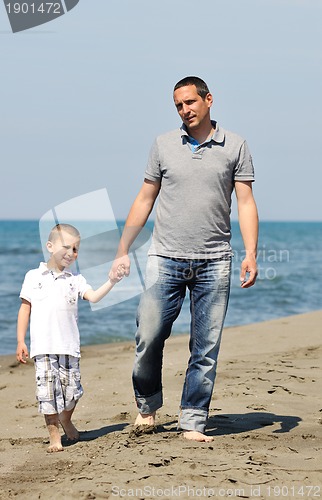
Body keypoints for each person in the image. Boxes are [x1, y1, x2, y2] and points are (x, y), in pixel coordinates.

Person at [109, 76, 259, 442]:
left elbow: (245, 202)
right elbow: (145, 198)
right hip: (164, 257)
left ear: (208, 100)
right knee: (148, 334)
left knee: (204, 347)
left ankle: (193, 421)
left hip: (214, 261)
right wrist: (123, 247)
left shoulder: (235, 145)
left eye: (190, 102)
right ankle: (147, 406)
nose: (185, 110)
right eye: (178, 105)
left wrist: (251, 252)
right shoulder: (163, 145)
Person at [16, 223, 123, 452]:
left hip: (69, 346)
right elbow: (25, 309)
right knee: (47, 395)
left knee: (73, 393)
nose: (71, 253)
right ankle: (54, 435)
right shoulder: (33, 276)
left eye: (75, 249)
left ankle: (66, 418)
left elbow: (93, 297)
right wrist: (20, 340)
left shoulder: (76, 280)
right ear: (50, 246)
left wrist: (112, 281)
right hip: (43, 348)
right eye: (66, 247)